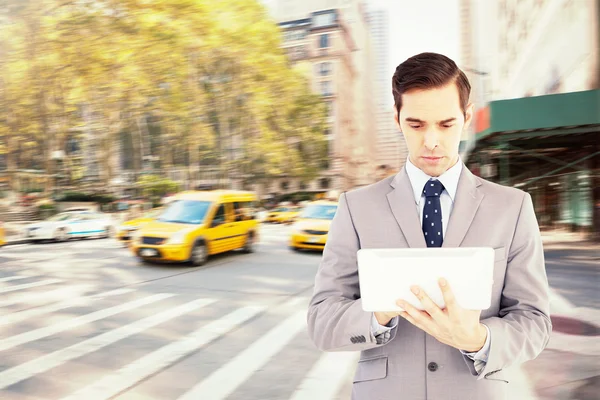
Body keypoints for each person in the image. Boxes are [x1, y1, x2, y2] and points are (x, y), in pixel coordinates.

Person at [307, 52, 551, 400]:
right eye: (416, 124)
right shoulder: (356, 207)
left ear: (467, 117)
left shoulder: (512, 207)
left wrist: (477, 339)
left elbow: (534, 321)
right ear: (397, 119)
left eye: (446, 124)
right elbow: (322, 321)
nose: (431, 141)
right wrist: (379, 312)